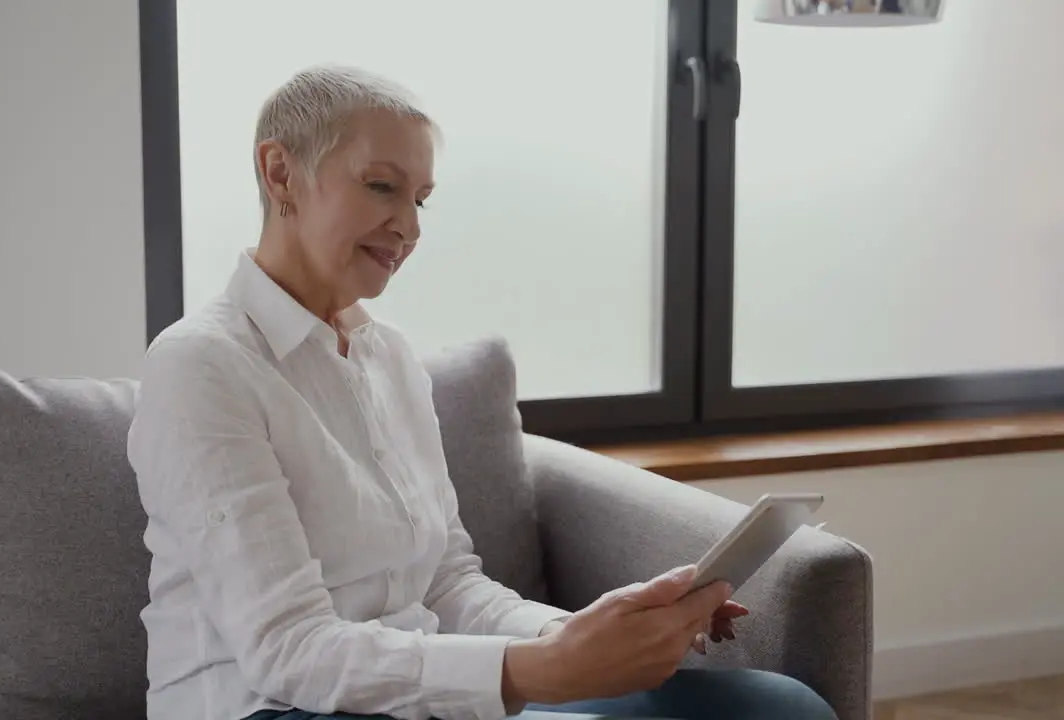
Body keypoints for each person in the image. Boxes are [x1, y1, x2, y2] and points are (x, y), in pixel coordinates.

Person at [127, 65, 837, 720]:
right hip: (269, 706)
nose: (408, 227)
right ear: (281, 172)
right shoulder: (202, 366)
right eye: (381, 186)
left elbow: (446, 584)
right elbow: (286, 649)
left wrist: (584, 636)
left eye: (421, 199)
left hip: (417, 700)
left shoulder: (390, 358)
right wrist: (537, 670)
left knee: (781, 708)